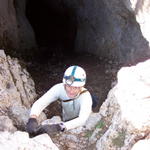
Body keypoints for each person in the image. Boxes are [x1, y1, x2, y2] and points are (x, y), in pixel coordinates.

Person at [26, 65, 92, 136]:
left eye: (75, 88)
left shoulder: (86, 97)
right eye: (69, 86)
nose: (71, 91)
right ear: (64, 84)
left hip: (84, 126)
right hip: (66, 119)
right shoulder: (59, 88)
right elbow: (41, 102)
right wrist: (32, 118)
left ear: (82, 87)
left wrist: (58, 127)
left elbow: (82, 119)